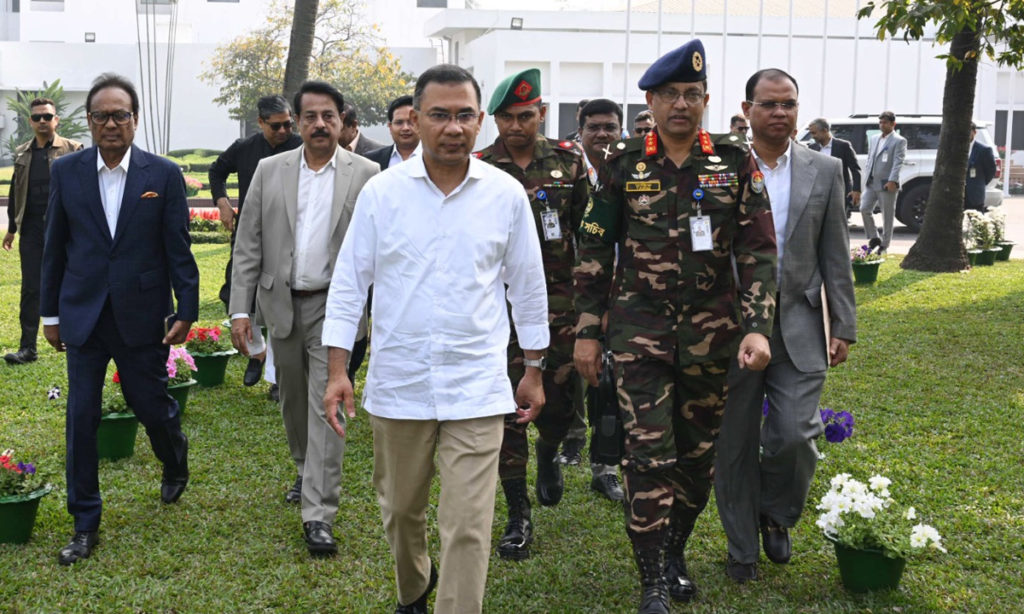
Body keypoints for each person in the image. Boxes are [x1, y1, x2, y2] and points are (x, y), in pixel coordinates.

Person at [321, 64, 548, 614]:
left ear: (479, 122)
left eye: (464, 115)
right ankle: (414, 590)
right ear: (416, 120)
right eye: (440, 115)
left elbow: (529, 285)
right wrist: (336, 372)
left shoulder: (505, 194)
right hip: (401, 385)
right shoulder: (382, 194)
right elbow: (350, 284)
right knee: (401, 513)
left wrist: (535, 368)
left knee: (469, 527)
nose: (453, 127)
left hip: (477, 386)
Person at [573, 39, 777, 613]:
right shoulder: (623, 163)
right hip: (638, 337)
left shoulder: (734, 163)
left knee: (696, 458)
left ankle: (672, 552)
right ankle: (652, 580)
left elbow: (759, 250)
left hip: (714, 336)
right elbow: (593, 251)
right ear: (651, 101)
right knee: (646, 455)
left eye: (691, 94)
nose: (681, 104)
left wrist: (758, 326)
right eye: (669, 95)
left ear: (706, 99)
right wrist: (587, 331)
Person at [40, 73, 198, 565]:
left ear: (135, 118)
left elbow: (178, 248)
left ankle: (174, 459)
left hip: (142, 312)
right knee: (81, 418)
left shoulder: (162, 175)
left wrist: (186, 310)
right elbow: (54, 249)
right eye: (101, 116)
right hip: (82, 313)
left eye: (120, 115)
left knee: (150, 404)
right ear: (88, 121)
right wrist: (49, 313)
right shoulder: (66, 172)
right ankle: (85, 522)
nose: (111, 124)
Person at [715, 69, 857, 584]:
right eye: (769, 104)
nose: (780, 113)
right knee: (732, 443)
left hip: (799, 323)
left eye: (789, 104)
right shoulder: (720, 167)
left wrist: (843, 322)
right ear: (747, 108)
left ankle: (775, 513)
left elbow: (835, 251)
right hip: (729, 328)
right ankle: (741, 548)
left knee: (795, 432)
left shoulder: (825, 168)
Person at [229, 81, 378, 557]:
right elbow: (248, 243)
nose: (319, 124)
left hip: (336, 306)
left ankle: (318, 513)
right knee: (292, 400)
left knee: (325, 402)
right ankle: (305, 466)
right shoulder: (270, 170)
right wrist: (240, 309)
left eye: (328, 116)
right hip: (280, 303)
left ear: (341, 121)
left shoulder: (367, 173)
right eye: (309, 116)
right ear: (297, 122)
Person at [474, 68, 589, 561]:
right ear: (495, 120)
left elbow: (590, 235)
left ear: (541, 113)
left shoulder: (569, 161)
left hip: (559, 306)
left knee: (560, 405)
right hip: (498, 310)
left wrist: (590, 309)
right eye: (507, 118)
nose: (516, 126)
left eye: (526, 116)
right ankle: (517, 514)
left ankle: (550, 452)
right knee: (507, 411)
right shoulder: (480, 167)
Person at [208, 95, 303, 396]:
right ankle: (258, 351)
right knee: (233, 295)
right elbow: (216, 171)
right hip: (250, 231)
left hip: (290, 233)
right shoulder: (244, 149)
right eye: (275, 126)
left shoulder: (302, 147)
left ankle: (277, 377)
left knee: (281, 301)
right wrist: (222, 201)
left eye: (288, 124)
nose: (283, 131)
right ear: (260, 123)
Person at [558, 97, 625, 502]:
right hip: (574, 293)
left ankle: (606, 467)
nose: (602, 135)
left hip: (627, 297)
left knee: (612, 385)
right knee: (574, 373)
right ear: (580, 131)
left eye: (610, 127)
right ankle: (568, 439)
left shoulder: (637, 170)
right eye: (594, 127)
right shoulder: (567, 171)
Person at [3, 97, 82, 365]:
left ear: (56, 120)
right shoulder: (23, 152)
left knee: (72, 281)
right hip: (33, 229)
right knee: (31, 288)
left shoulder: (73, 150)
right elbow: (16, 190)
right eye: (37, 117)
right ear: (30, 122)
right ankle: (28, 348)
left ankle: (76, 340)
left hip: (66, 229)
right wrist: (12, 228)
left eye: (47, 117)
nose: (42, 122)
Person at [860, 111, 907, 250]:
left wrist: (893, 180)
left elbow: (898, 162)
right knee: (864, 209)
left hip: (887, 183)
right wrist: (867, 175)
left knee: (887, 215)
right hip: (871, 181)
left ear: (893, 124)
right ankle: (874, 237)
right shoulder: (874, 138)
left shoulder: (899, 140)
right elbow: (870, 157)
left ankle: (884, 244)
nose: (882, 125)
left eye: (885, 122)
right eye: (880, 122)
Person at [806, 117, 862, 210]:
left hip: (839, 192)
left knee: (838, 222)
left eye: (814, 133)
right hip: (818, 194)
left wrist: (856, 190)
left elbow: (855, 169)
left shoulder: (843, 146)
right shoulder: (812, 148)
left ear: (825, 130)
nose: (812, 136)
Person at [365, 95, 421, 170]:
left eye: (411, 122)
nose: (405, 128)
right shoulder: (371, 160)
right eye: (399, 122)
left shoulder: (437, 159)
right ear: (390, 126)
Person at [965, 122, 997, 212]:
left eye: (969, 131)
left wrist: (979, 182)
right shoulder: (954, 148)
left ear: (974, 132)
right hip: (958, 194)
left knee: (976, 222)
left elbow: (991, 171)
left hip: (975, 194)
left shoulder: (984, 150)